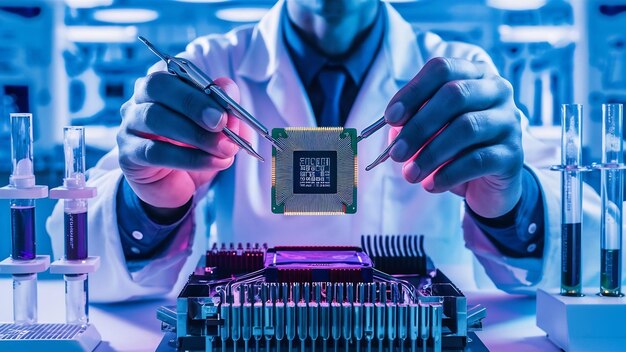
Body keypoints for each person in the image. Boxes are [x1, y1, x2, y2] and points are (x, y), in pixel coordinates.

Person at [47, 0, 601, 303]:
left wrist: (515, 205)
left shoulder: (460, 73)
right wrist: (148, 206)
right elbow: (75, 261)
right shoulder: (208, 65)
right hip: (252, 333)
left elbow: (602, 261)